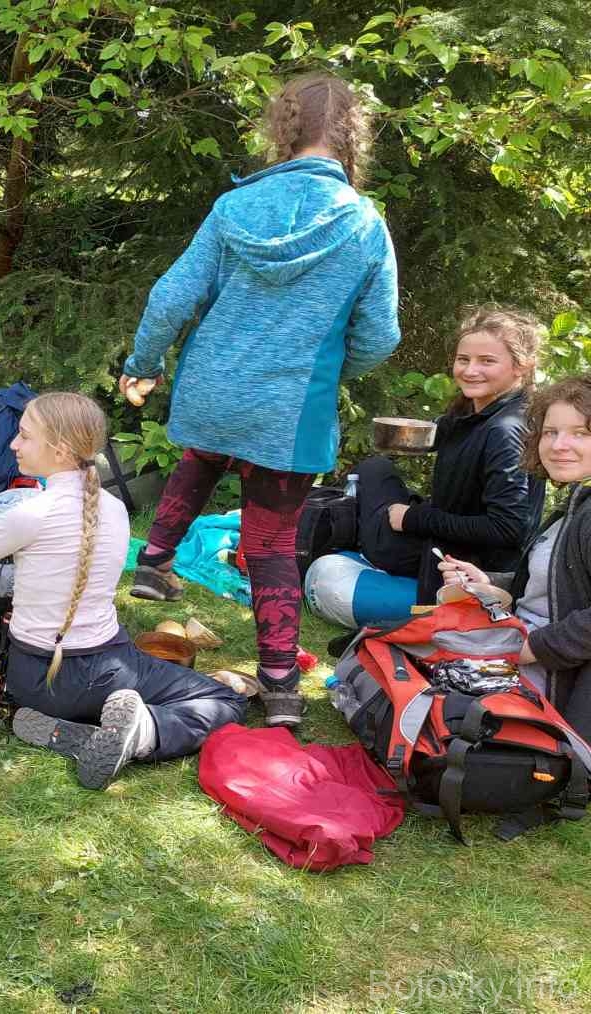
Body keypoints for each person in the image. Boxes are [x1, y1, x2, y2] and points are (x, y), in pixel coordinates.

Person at [118, 72, 402, 728]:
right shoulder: (364, 224)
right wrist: (332, 369)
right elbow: (379, 336)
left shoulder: (234, 207)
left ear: (282, 126)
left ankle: (154, 562)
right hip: (290, 407)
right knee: (271, 543)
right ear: (352, 135)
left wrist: (144, 365)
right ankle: (279, 688)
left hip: (213, 390)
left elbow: (170, 296)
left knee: (204, 454)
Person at [0, 394, 245, 789]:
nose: (13, 444)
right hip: (104, 672)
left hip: (29, 681)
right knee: (226, 699)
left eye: (24, 436)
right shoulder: (115, 509)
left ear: (59, 450)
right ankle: (144, 732)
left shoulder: (30, 513)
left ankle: (84, 733)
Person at [354, 307, 546, 602]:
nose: (470, 370)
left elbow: (508, 528)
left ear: (521, 366)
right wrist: (400, 433)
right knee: (376, 469)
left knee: (373, 482)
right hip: (448, 536)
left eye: (487, 361)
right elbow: (441, 434)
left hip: (465, 563)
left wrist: (413, 518)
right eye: (463, 359)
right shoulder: (475, 410)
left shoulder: (505, 430)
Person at [440, 376, 591, 738]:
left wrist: (531, 648)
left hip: (549, 683)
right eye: (550, 432)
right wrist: (488, 583)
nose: (559, 445)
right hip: (520, 651)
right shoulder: (574, 505)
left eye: (581, 433)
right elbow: (555, 585)